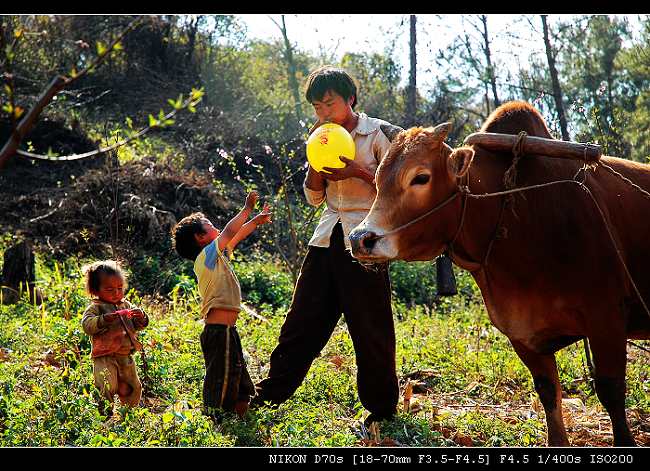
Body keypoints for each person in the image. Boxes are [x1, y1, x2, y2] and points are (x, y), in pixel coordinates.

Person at [252, 65, 402, 425]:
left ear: (349, 99)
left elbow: (398, 193)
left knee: (370, 325)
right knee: (302, 319)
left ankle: (381, 410)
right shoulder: (320, 135)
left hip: (367, 239)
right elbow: (313, 198)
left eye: (329, 103)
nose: (323, 112)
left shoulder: (379, 133)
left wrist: (357, 172)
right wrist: (316, 167)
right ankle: (268, 394)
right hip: (326, 237)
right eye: (317, 107)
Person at [171, 191, 272, 420]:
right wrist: (247, 209)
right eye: (209, 225)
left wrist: (255, 221)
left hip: (229, 332)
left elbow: (236, 236)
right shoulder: (205, 257)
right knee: (220, 379)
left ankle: (239, 422)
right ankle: (215, 421)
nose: (216, 227)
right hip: (218, 333)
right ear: (200, 237)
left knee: (240, 382)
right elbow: (229, 232)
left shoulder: (217, 255)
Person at [81, 260, 149, 418]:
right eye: (109, 289)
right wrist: (104, 319)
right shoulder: (95, 307)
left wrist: (141, 317)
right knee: (106, 386)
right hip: (104, 356)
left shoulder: (125, 305)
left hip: (126, 355)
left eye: (119, 288)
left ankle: (128, 416)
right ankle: (104, 415)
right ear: (95, 290)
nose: (116, 293)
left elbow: (138, 325)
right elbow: (87, 325)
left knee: (132, 387)